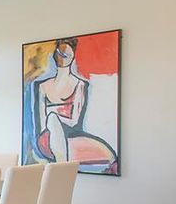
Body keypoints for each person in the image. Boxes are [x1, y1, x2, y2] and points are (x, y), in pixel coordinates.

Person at [34, 38, 118, 174]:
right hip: (47, 138)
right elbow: (43, 123)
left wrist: (55, 116)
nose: (62, 57)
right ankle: (61, 169)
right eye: (59, 53)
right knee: (52, 120)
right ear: (55, 54)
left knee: (110, 156)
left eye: (66, 55)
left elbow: (74, 121)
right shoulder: (42, 86)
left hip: (71, 136)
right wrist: (53, 118)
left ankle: (60, 167)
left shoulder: (80, 85)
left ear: (73, 57)